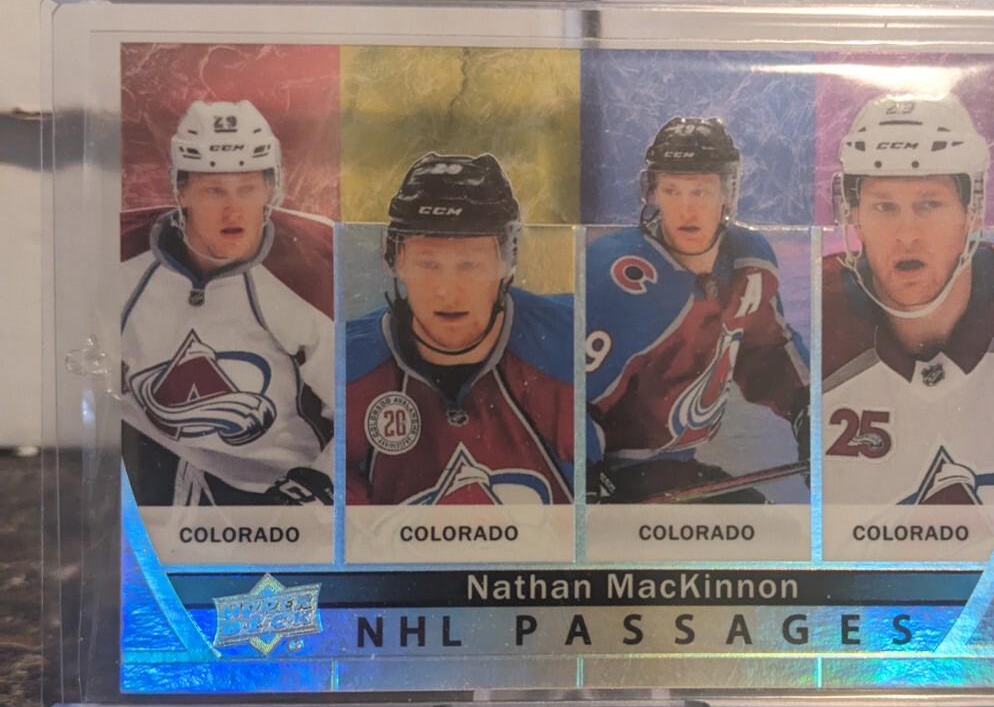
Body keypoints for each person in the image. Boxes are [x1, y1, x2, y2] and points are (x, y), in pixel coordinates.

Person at [120, 99, 334, 507]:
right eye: (214, 190)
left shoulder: (316, 269)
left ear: (270, 189)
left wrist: (320, 482)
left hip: (280, 488)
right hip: (159, 470)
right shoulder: (120, 255)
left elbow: (358, 408)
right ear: (181, 191)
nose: (232, 208)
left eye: (247, 189)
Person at [586, 116, 809, 504]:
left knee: (772, 530)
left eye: (701, 191)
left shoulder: (749, 260)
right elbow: (571, 396)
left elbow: (768, 352)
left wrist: (809, 412)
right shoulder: (617, 272)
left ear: (728, 194)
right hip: (611, 478)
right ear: (652, 193)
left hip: (677, 469)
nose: (685, 208)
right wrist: (584, 478)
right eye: (671, 190)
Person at [822, 91, 994, 511]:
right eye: (884, 207)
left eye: (929, 204)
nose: (907, 234)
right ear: (853, 214)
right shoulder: (817, 306)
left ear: (972, 211)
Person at [346, 152, 573, 505]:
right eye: (428, 264)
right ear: (396, 259)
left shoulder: (569, 346)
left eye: (470, 265)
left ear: (506, 261)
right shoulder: (345, 367)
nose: (448, 293)